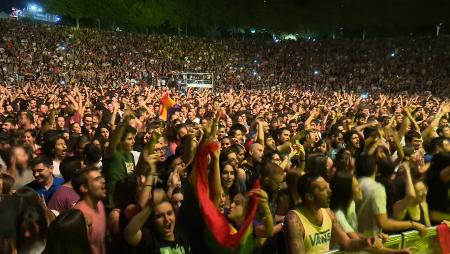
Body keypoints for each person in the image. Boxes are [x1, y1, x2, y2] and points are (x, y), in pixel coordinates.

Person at [284, 173, 382, 253]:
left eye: (329, 187)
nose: (330, 192)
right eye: (323, 190)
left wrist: (367, 242)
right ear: (309, 196)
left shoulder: (328, 212)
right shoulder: (294, 220)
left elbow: (347, 243)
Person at [355, 154, 427, 237]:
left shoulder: (353, 185)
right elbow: (383, 223)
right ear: (375, 168)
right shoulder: (376, 188)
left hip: (354, 237)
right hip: (368, 241)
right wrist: (413, 224)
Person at [124, 189, 191, 254]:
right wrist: (151, 206)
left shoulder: (182, 237)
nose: (166, 219)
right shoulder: (149, 239)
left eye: (169, 213)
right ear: (153, 220)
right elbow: (129, 234)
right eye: (160, 216)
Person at [72, 166, 107, 254]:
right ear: (84, 188)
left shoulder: (99, 204)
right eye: (97, 179)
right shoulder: (79, 216)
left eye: (102, 178)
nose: (103, 181)